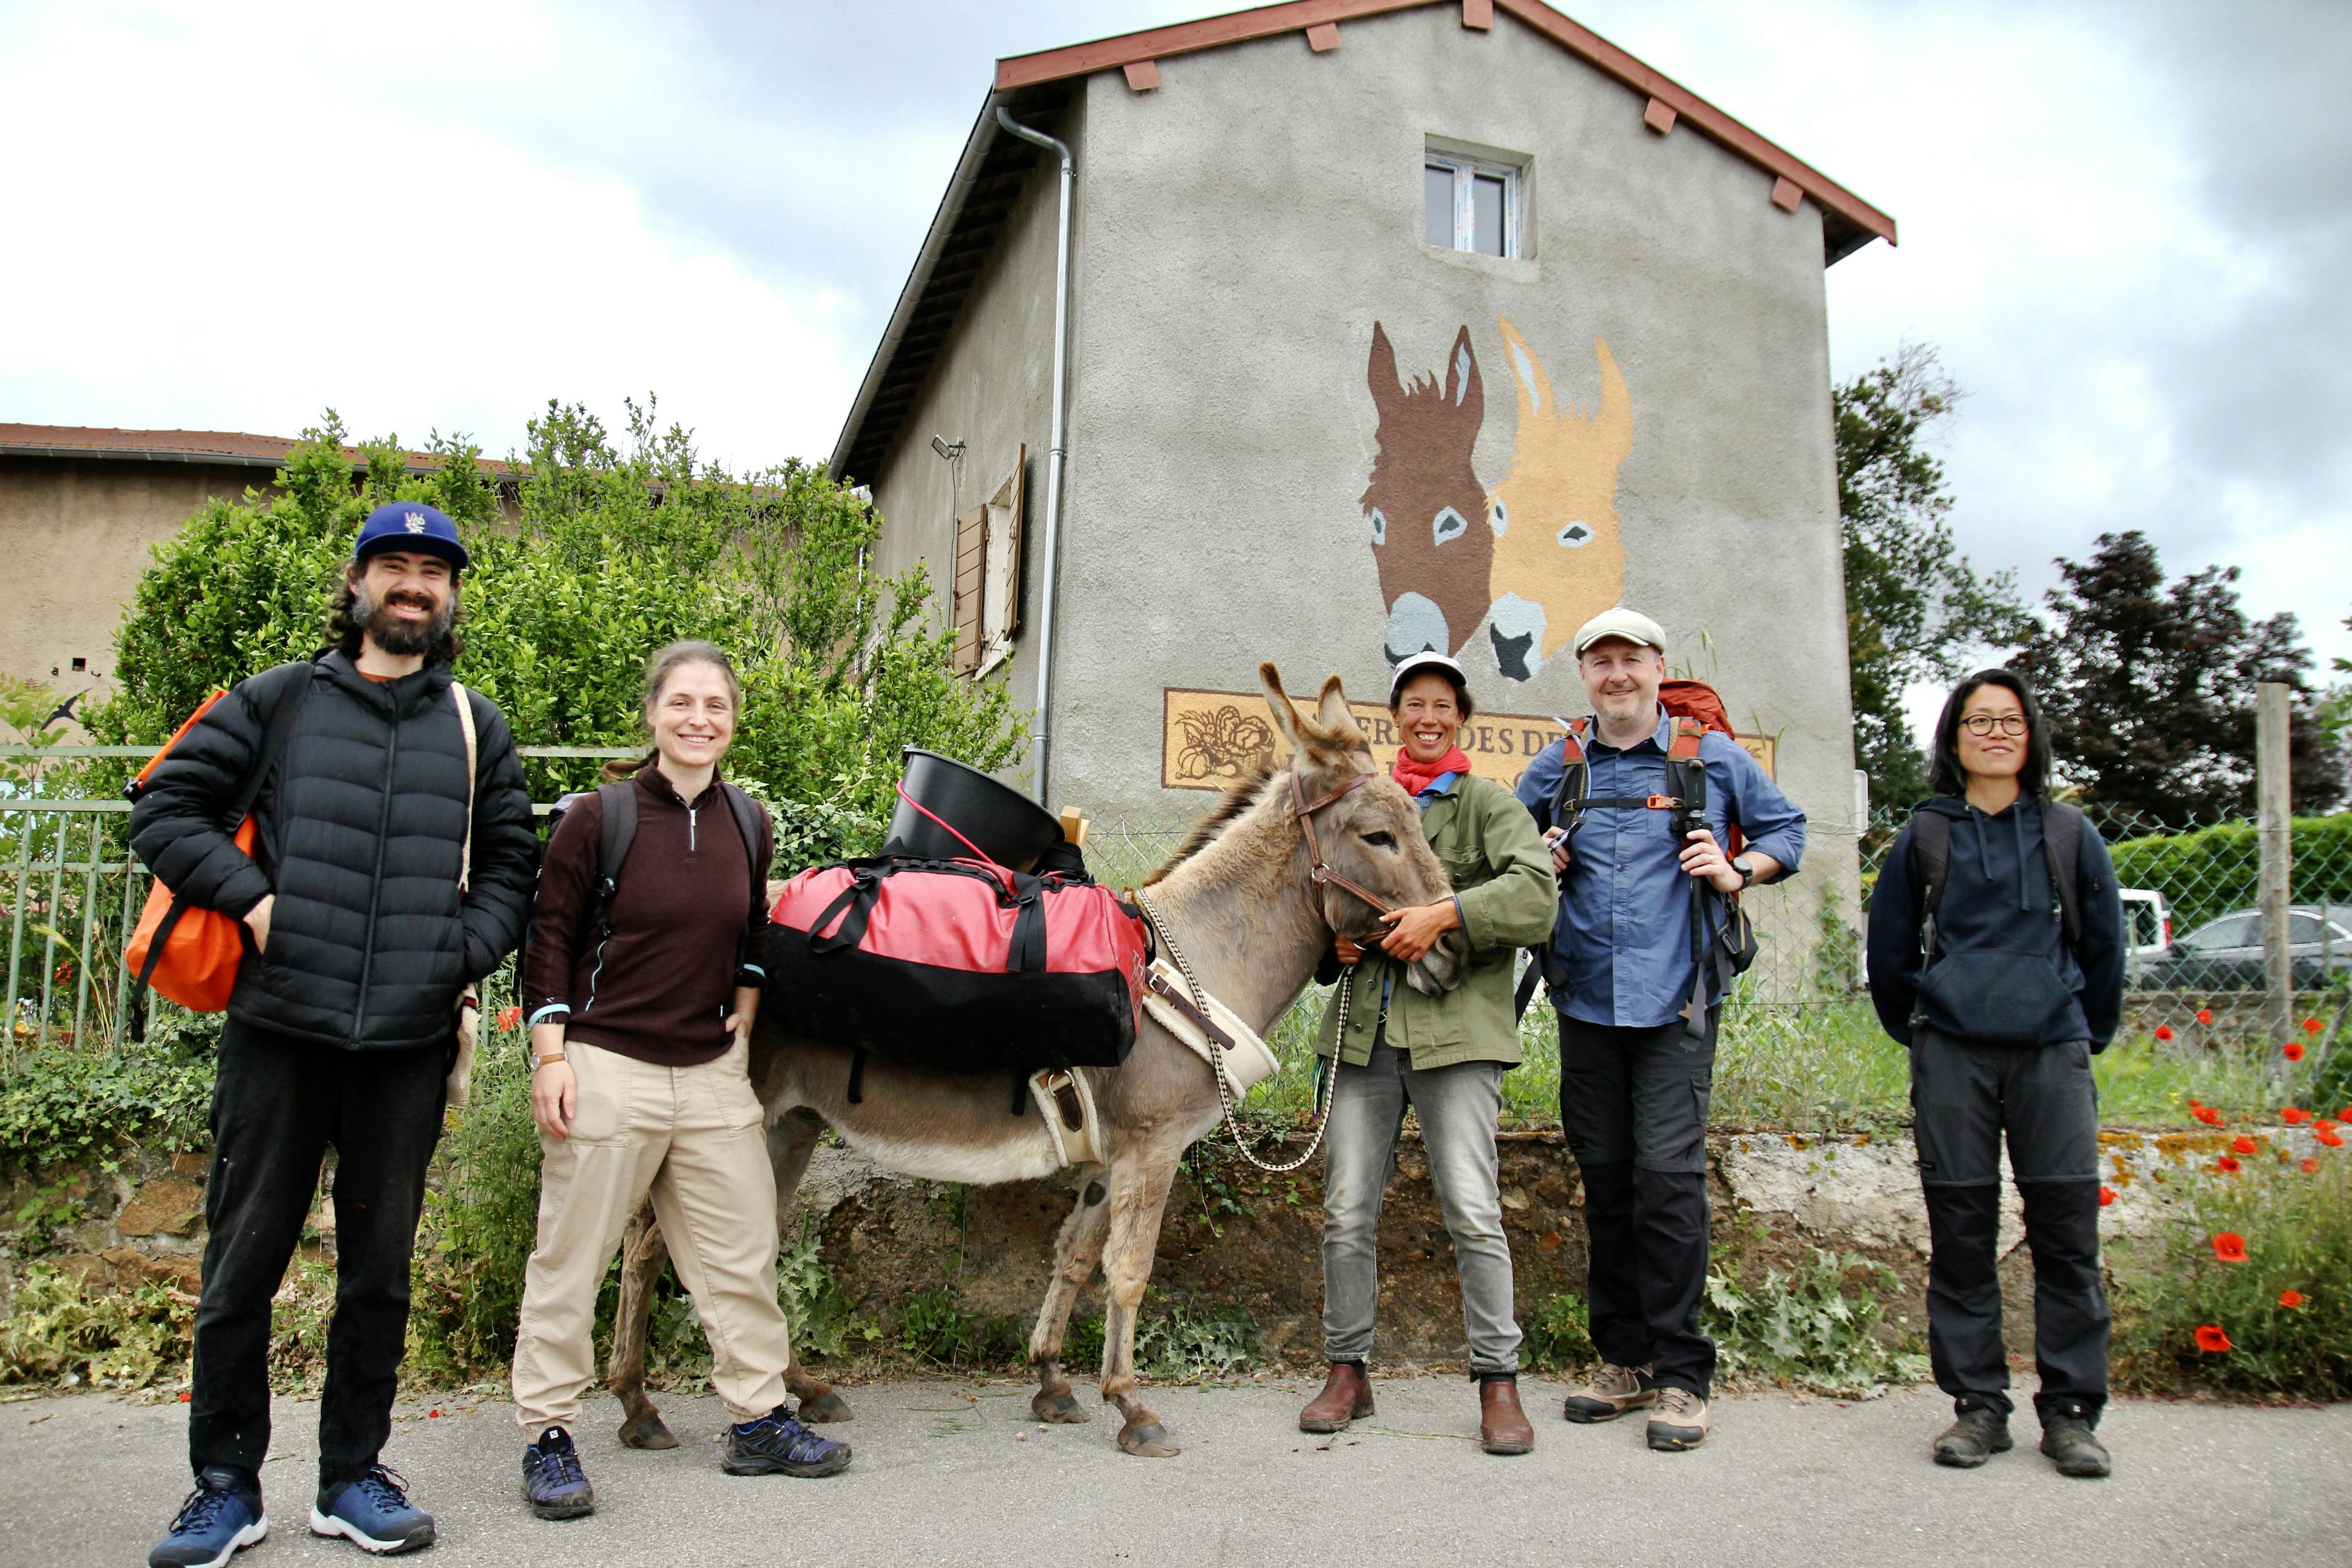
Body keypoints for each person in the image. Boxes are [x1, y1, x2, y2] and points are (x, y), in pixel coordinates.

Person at [133, 502, 539, 1564]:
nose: (414, 586)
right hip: (279, 1031)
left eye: (433, 573)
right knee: (242, 1267)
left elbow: (510, 868)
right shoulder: (275, 704)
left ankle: (351, 1476)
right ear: (357, 583)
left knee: (379, 1276)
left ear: (450, 598)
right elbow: (165, 808)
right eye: (394, 566)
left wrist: (459, 953)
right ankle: (225, 1487)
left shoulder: (476, 727)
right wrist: (253, 902)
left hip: (404, 1046)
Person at [510, 641, 848, 1520]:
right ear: (654, 712)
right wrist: (551, 1057)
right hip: (605, 1065)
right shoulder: (600, 817)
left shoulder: (749, 820)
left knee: (741, 1258)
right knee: (570, 1260)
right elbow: (547, 938)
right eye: (683, 703)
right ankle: (548, 1435)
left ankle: (757, 1422)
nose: (700, 719)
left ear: (734, 722)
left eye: (718, 706)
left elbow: (753, 930)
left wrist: (745, 999)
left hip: (708, 1075)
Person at [1514, 608, 1805, 1452]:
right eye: (1600, 662)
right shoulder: (1561, 761)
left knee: (1669, 1188)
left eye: (1630, 660)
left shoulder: (1706, 755)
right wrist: (1542, 857)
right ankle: (1625, 1360)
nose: (1617, 676)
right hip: (1585, 1002)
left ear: (1656, 667)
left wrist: (1739, 868)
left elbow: (1789, 828)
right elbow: (1509, 846)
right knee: (1605, 1180)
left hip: (1679, 1006)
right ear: (1585, 676)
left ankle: (1683, 1374)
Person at [1297, 651, 1559, 1455]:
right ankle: (1348, 1372)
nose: (1428, 716)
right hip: (1363, 1035)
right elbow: (1321, 901)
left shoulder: (1488, 805)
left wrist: (1443, 916)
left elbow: (1536, 894)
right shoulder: (1362, 804)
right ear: (1397, 716)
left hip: (1460, 1041)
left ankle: (1498, 1383)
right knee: (1346, 1212)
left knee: (1475, 1214)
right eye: (1415, 703)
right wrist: (1330, 950)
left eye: (1443, 704)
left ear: (1460, 718)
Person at [1864, 669, 2124, 1478]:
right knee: (1963, 1237)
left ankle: (2072, 1412)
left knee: (2067, 1238)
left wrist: (2081, 1033)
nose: (1997, 733)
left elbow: (2106, 952)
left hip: (2052, 1055)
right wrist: (1932, 1031)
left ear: (2031, 736)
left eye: (2010, 720)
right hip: (1953, 1059)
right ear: (1953, 741)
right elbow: (1890, 957)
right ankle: (1979, 1407)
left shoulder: (2070, 834)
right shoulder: (1924, 838)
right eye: (1979, 721)